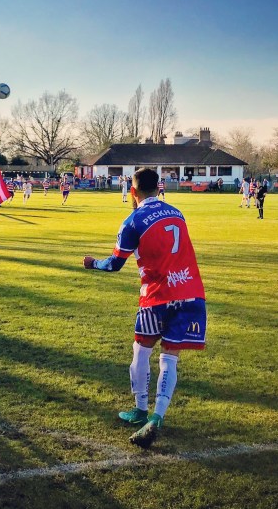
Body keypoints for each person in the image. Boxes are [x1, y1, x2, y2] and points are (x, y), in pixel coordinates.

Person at [82, 168, 206, 448]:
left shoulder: (132, 222)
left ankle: (139, 410)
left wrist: (93, 263)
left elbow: (114, 264)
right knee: (169, 358)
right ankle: (157, 417)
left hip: (156, 296)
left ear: (133, 192)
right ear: (159, 188)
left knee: (141, 349)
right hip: (189, 292)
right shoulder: (178, 213)